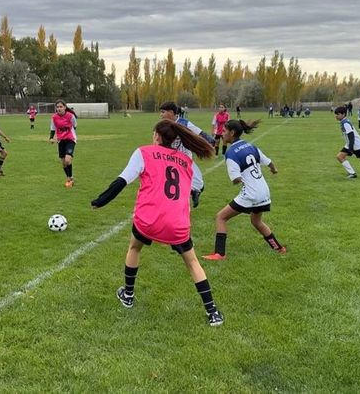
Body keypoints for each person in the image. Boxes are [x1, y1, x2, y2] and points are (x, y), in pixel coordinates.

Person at [91, 119, 223, 327]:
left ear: (158, 137)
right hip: (177, 224)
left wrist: (101, 200)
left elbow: (123, 180)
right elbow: (193, 187)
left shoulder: (144, 152)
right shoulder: (185, 160)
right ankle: (212, 312)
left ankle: (128, 295)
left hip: (148, 220)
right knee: (192, 262)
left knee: (135, 247)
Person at [202, 119, 286, 261]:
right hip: (264, 191)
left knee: (221, 217)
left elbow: (236, 179)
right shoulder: (251, 146)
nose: (222, 134)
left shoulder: (231, 153)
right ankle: (278, 248)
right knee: (256, 221)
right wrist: (274, 170)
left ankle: (219, 254)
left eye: (224, 131)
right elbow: (270, 163)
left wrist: (239, 178)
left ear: (232, 132)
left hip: (251, 194)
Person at [159, 102, 215, 208]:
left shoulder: (184, 123)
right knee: (173, 183)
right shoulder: (163, 126)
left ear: (171, 112)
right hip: (169, 160)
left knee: (198, 184)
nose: (160, 115)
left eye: (163, 112)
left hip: (185, 160)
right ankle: (176, 205)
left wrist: (210, 140)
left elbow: (200, 133)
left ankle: (193, 193)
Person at [48, 99, 77, 187]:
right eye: (57, 107)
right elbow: (53, 128)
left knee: (68, 160)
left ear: (64, 107)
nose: (59, 108)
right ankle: (69, 177)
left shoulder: (70, 116)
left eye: (61, 106)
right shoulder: (54, 117)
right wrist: (51, 138)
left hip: (70, 139)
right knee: (64, 163)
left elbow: (75, 126)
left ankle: (70, 178)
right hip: (60, 141)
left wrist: (69, 134)